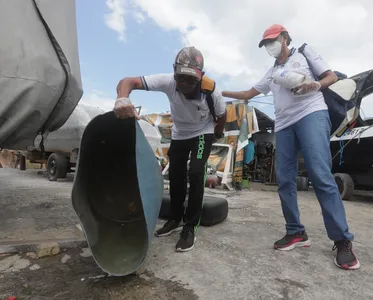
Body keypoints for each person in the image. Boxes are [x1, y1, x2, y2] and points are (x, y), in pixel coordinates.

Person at [222, 24, 360, 270]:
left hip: (311, 114)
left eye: (272, 41)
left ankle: (342, 240)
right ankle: (296, 232)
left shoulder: (304, 53)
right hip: (284, 124)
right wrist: (216, 90)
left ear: (284, 37)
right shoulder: (271, 73)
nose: (269, 47)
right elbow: (247, 93)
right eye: (265, 44)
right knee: (284, 180)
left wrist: (314, 85)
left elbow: (332, 76)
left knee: (320, 175)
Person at [114, 46, 227, 252]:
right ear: (174, 72)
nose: (183, 85)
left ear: (201, 77)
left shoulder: (213, 92)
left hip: (203, 131)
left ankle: (190, 226)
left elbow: (222, 116)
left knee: (195, 172)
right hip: (180, 133)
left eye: (191, 80)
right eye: (180, 78)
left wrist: (216, 133)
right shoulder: (168, 82)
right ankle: (175, 218)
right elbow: (128, 82)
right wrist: (123, 98)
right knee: (175, 175)